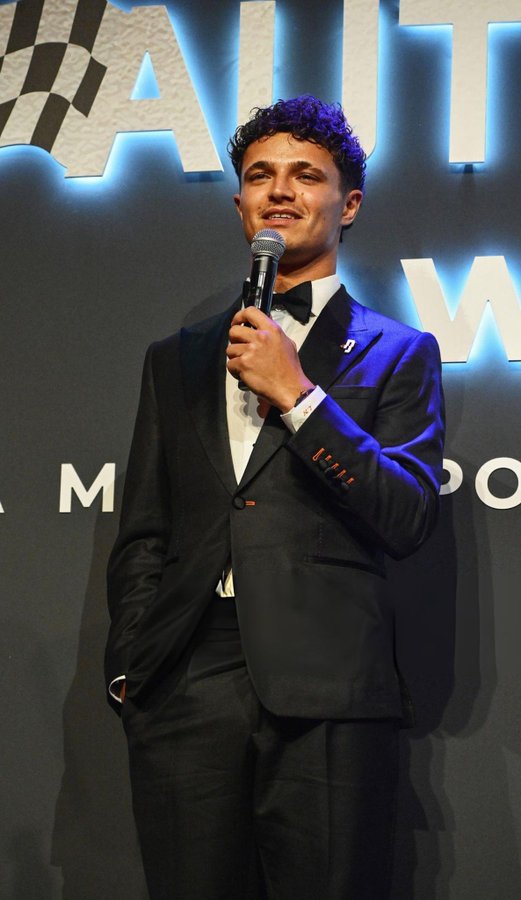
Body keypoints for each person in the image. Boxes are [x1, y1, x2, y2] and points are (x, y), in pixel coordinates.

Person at [105, 95, 445, 900]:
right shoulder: (175, 358)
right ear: (240, 205)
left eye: (305, 175)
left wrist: (298, 397)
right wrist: (133, 668)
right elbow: (146, 530)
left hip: (328, 682)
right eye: (260, 176)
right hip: (185, 680)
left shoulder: (399, 352)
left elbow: (405, 515)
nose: (280, 191)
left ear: (348, 204)